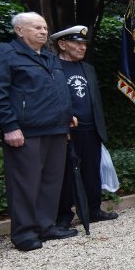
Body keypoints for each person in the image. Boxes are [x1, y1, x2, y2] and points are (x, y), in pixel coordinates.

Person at [0, 12, 76, 251]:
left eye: (44, 27)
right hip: (26, 131)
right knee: (25, 183)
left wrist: (67, 115)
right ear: (19, 31)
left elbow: (58, 91)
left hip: (56, 128)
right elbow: (0, 93)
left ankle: (45, 225)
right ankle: (23, 233)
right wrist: (9, 126)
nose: (43, 31)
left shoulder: (50, 58)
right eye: (36, 27)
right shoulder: (6, 53)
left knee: (51, 182)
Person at [52, 26, 118, 228]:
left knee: (92, 171)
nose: (82, 48)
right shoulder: (52, 67)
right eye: (77, 43)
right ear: (62, 44)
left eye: (84, 44)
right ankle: (64, 215)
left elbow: (94, 100)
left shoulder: (87, 68)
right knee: (65, 173)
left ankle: (93, 210)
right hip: (66, 130)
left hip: (91, 129)